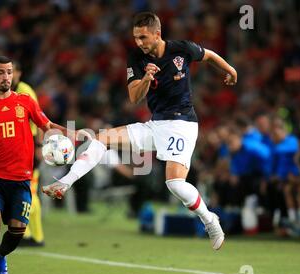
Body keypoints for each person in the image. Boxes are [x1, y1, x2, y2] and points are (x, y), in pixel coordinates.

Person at [42, 12, 237, 250]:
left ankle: (209, 220)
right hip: (155, 125)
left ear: (157, 34)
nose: (139, 43)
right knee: (102, 138)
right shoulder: (136, 58)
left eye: (143, 37)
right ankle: (65, 182)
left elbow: (209, 55)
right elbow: (134, 97)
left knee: (175, 184)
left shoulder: (181, 49)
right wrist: (146, 78)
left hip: (181, 124)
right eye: (136, 38)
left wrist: (230, 70)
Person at [0, 55, 73, 274]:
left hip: (21, 178)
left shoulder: (26, 101)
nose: (6, 77)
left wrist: (72, 133)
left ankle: (1, 256)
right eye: (1, 72)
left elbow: (47, 126)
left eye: (10, 72)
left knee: (17, 230)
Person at [12, 61, 45, 247]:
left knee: (29, 192)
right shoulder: (7, 92)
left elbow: (38, 117)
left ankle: (35, 237)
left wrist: (39, 146)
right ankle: (28, 236)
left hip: (30, 145)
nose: (7, 76)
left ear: (18, 72)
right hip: (17, 147)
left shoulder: (25, 91)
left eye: (11, 71)